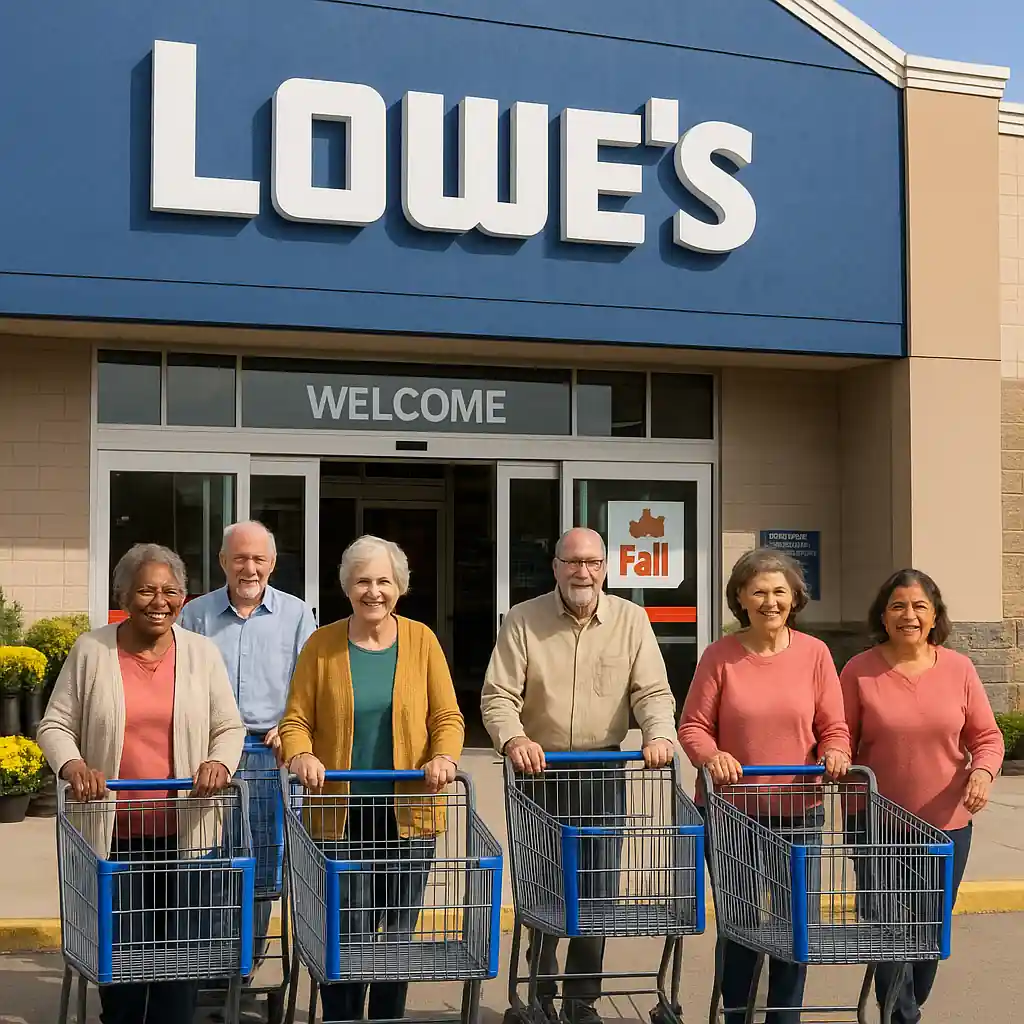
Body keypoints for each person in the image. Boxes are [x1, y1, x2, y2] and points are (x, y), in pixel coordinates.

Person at [37, 543, 245, 1024]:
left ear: (184, 597)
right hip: (116, 839)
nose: (159, 601)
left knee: (179, 970)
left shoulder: (201, 653)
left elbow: (228, 727)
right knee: (124, 970)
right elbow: (54, 726)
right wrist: (73, 767)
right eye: (146, 590)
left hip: (187, 835)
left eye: (170, 591)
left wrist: (219, 762)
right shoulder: (92, 650)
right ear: (124, 596)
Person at [481, 526, 677, 1024]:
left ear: (605, 567)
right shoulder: (523, 620)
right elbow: (498, 695)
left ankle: (581, 999)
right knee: (542, 884)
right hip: (539, 771)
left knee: (598, 889)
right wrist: (514, 739)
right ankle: (540, 991)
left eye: (591, 562)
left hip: (604, 769)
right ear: (555, 567)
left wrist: (658, 736)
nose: (582, 572)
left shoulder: (631, 620)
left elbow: (651, 691)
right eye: (572, 562)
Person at [278, 534, 464, 1023]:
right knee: (348, 927)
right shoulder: (322, 644)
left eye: (384, 580)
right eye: (363, 580)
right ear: (347, 587)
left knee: (398, 931)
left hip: (409, 811)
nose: (373, 591)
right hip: (341, 811)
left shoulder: (421, 640)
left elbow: (447, 716)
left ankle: (386, 1017)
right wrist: (300, 756)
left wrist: (443, 756)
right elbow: (295, 720)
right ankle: (341, 1017)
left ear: (399, 586)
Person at [677, 548, 852, 1024]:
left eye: (779, 591)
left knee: (795, 926)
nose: (769, 601)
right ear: (740, 598)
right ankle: (736, 1014)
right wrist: (712, 756)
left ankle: (784, 1017)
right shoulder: (720, 656)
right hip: (731, 815)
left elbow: (834, 726)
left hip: (799, 813)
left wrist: (836, 752)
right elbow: (692, 727)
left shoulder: (815, 654)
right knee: (740, 927)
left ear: (795, 597)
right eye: (758, 591)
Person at [840, 569, 1004, 1024]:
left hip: (945, 825)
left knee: (928, 934)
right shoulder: (859, 670)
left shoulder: (960, 669)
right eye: (897, 605)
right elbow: (838, 737)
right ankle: (902, 1017)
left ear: (934, 617)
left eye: (918, 607)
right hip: (874, 824)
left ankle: (909, 1003)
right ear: (883, 614)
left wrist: (983, 773)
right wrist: (834, 759)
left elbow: (988, 737)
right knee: (884, 930)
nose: (907, 615)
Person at [179, 519, 316, 963]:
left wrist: (291, 724)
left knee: (261, 865)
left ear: (272, 564)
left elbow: (310, 687)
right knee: (206, 859)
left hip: (266, 755)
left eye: (258, 559)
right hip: (207, 755)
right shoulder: (195, 615)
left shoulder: (297, 615)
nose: (249, 568)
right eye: (239, 558)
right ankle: (207, 961)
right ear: (223, 562)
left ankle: (246, 962)